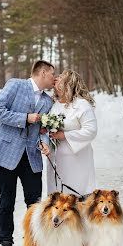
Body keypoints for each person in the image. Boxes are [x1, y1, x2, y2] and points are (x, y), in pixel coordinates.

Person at [0, 60, 54, 246]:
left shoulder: (48, 102)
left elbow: (44, 131)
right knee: (7, 201)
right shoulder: (16, 85)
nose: (54, 78)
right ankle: (6, 245)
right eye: (52, 74)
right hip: (6, 154)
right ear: (42, 73)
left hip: (32, 158)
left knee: (34, 204)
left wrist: (45, 144)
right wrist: (25, 117)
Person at [40, 69, 97, 197]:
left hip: (77, 161)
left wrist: (64, 135)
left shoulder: (82, 105)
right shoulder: (54, 105)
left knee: (75, 197)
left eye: (61, 77)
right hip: (56, 160)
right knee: (57, 198)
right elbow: (48, 129)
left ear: (69, 83)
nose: (56, 78)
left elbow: (91, 130)